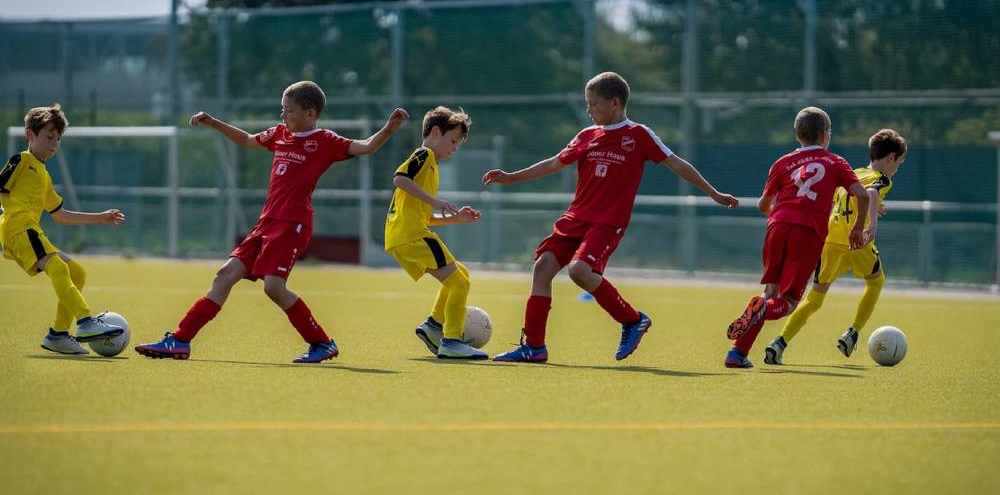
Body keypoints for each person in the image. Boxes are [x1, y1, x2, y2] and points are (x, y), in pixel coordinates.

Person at [136, 81, 408, 363]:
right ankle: (180, 340)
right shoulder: (279, 134)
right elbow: (246, 140)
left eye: (288, 111)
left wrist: (388, 128)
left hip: (293, 223)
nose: (283, 116)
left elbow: (365, 146)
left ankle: (322, 343)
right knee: (225, 275)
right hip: (265, 224)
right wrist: (214, 122)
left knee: (273, 288)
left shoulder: (325, 140)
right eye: (282, 110)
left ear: (310, 114)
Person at [482, 71, 739, 363]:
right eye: (588, 104)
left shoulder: (638, 134)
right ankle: (534, 347)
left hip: (607, 221)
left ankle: (632, 319)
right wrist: (512, 177)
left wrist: (713, 193)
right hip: (575, 218)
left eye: (593, 104)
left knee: (579, 271)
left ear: (614, 103)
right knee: (542, 269)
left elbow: (677, 164)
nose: (589, 110)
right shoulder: (586, 136)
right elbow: (555, 162)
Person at [724, 106, 870, 369]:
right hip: (808, 232)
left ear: (797, 135)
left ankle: (736, 354)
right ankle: (761, 312)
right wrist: (857, 229)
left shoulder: (782, 163)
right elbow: (861, 194)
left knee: (769, 292)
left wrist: (782, 211)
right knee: (789, 303)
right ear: (825, 135)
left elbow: (762, 205)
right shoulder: (835, 162)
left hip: (777, 226)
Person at [0, 104, 126, 355]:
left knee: (77, 272)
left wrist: (101, 217)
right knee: (57, 266)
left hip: (31, 230)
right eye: (48, 137)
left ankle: (58, 334)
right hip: (18, 228)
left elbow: (60, 215)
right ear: (29, 135)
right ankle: (86, 321)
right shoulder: (21, 160)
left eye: (58, 138)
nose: (54, 143)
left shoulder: (44, 175)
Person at [764, 129, 907, 364]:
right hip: (856, 241)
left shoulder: (854, 172)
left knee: (814, 299)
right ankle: (853, 332)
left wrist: (876, 206)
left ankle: (779, 342)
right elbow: (871, 193)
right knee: (876, 282)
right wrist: (871, 225)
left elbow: (840, 197)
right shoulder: (882, 179)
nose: (896, 169)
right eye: (898, 163)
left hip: (830, 241)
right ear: (891, 158)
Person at [386, 106, 485, 359]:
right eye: (452, 141)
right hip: (411, 235)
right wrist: (437, 201)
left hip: (407, 234)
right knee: (459, 282)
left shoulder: (431, 165)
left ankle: (433, 326)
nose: (454, 148)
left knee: (460, 274)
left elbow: (424, 216)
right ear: (435, 131)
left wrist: (456, 218)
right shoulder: (424, 155)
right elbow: (399, 178)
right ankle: (451, 341)